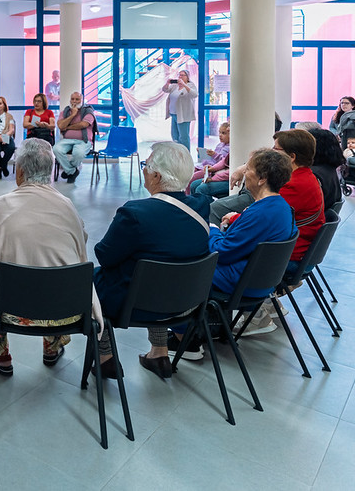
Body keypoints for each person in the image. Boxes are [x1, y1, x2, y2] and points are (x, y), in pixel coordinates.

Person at [0, 138, 103, 376]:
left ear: (19, 172)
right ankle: (52, 348)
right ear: (51, 171)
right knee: (56, 278)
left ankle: (1, 355)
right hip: (64, 309)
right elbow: (80, 244)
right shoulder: (67, 207)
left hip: (8, 309)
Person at [93, 142, 210, 379]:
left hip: (139, 304)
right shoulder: (201, 206)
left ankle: (105, 357)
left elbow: (105, 256)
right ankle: (159, 352)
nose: (144, 169)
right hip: (188, 301)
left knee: (92, 279)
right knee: (160, 270)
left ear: (156, 176)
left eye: (146, 166)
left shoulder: (135, 213)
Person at [206, 149, 298, 339]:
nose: (244, 173)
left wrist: (212, 229)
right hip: (262, 281)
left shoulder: (261, 213)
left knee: (189, 267)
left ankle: (189, 337)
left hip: (242, 282)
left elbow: (222, 252)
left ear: (262, 178)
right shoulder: (281, 207)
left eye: (248, 169)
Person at [53, 92, 95, 184]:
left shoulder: (88, 111)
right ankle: (72, 172)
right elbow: (60, 125)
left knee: (78, 153)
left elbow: (83, 124)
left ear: (82, 100)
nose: (74, 101)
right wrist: (72, 115)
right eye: (72, 99)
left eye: (77, 99)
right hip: (67, 140)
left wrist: (67, 127)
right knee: (56, 149)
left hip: (83, 141)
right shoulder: (66, 112)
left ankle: (69, 171)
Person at [187, 122, 230, 196]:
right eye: (219, 132)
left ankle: (188, 198)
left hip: (211, 171)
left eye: (224, 133)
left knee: (191, 179)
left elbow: (223, 162)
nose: (220, 135)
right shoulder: (219, 145)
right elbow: (212, 159)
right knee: (187, 173)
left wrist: (214, 155)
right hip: (205, 166)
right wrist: (203, 153)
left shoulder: (230, 148)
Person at [161, 69, 198, 150]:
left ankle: (186, 154)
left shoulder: (190, 85)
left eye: (182, 75)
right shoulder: (175, 86)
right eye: (179, 75)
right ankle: (178, 154)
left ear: (187, 77)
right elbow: (164, 90)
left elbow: (194, 94)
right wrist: (167, 83)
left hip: (183, 115)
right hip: (173, 114)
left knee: (183, 137)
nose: (180, 77)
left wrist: (184, 85)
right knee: (175, 136)